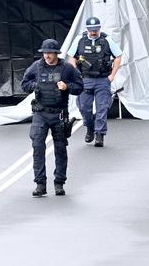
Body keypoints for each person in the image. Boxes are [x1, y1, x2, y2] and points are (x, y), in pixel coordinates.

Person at [22, 39, 83, 197]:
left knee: (61, 149)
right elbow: (24, 83)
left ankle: (59, 183)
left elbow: (80, 87)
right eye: (44, 53)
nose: (47, 56)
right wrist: (34, 86)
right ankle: (40, 183)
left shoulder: (67, 69)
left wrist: (67, 87)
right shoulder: (36, 67)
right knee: (37, 147)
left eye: (49, 53)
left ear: (56, 53)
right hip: (41, 113)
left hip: (59, 113)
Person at [67, 17, 122, 147]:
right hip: (85, 79)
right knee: (84, 108)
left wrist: (112, 76)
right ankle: (90, 127)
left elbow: (118, 56)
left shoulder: (106, 40)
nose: (93, 32)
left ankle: (99, 134)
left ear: (99, 28)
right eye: (91, 30)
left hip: (103, 79)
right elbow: (71, 58)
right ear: (87, 29)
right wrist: (76, 76)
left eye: (95, 30)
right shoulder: (80, 40)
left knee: (102, 108)